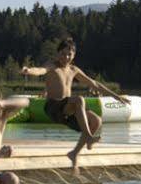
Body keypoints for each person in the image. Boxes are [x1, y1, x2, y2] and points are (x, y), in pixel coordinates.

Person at [21, 37, 130, 172]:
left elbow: (94, 84)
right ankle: (89, 137)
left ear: (74, 55)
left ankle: (74, 153)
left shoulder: (74, 70)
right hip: (53, 107)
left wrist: (116, 96)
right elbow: (40, 70)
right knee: (79, 100)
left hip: (68, 110)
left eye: (69, 54)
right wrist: (29, 70)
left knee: (97, 120)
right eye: (63, 53)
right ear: (58, 53)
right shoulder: (52, 65)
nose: (66, 57)